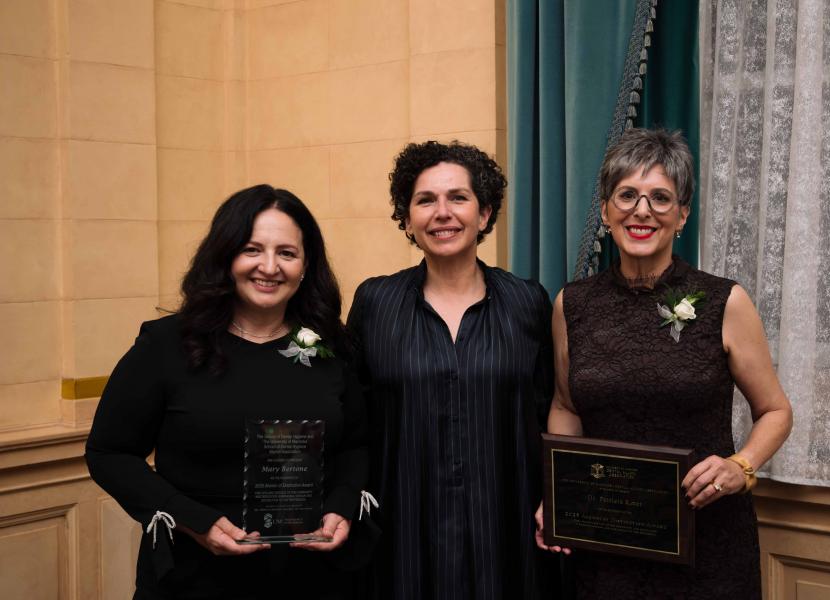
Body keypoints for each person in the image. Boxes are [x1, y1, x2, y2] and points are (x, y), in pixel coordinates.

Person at [535, 128, 793, 599]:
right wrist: (558, 491)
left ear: (682, 215)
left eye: (660, 198)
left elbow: (776, 411)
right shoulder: (571, 304)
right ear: (607, 210)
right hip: (605, 542)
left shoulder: (724, 301)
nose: (642, 210)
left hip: (707, 540)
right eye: (627, 195)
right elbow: (566, 405)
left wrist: (742, 467)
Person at [85, 185, 368, 599]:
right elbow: (109, 453)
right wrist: (191, 520)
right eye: (252, 249)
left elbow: (356, 446)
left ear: (306, 265)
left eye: (286, 253)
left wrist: (342, 507)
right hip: (195, 576)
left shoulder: (330, 347)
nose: (269, 267)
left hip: (311, 577)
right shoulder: (166, 345)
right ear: (225, 256)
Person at [347, 141, 554, 599]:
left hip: (507, 532)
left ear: (484, 214)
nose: (442, 213)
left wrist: (557, 502)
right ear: (406, 218)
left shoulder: (528, 302)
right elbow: (352, 417)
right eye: (426, 200)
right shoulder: (375, 303)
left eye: (458, 197)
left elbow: (550, 411)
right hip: (403, 535)